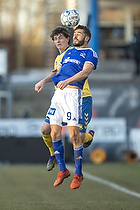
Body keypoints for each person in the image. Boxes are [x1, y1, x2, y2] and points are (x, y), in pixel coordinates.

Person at [35, 25, 98, 189]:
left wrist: (67, 81)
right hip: (58, 95)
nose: (75, 36)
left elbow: (85, 73)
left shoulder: (90, 53)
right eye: (75, 33)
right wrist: (43, 80)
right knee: (52, 131)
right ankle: (62, 170)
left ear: (86, 38)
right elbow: (57, 71)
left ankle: (78, 173)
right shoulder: (66, 54)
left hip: (74, 94)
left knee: (75, 135)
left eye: (79, 34)